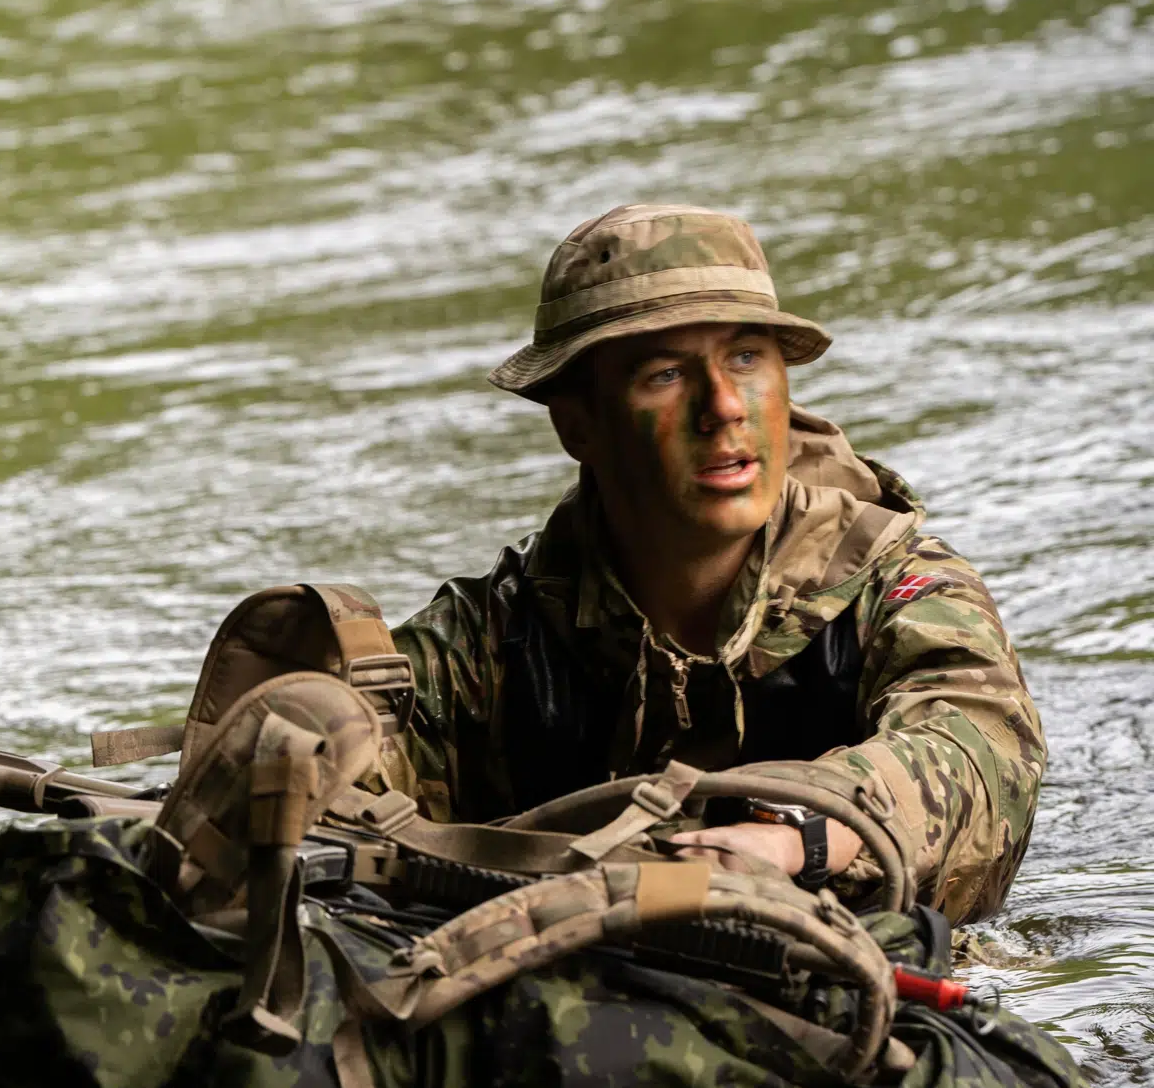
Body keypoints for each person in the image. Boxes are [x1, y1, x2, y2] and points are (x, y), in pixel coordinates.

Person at [377, 204, 1044, 923]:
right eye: (664, 373)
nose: (723, 405)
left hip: (877, 973)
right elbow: (343, 760)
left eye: (747, 358)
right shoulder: (493, 640)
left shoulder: (899, 588)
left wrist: (801, 836)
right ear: (579, 425)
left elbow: (979, 743)